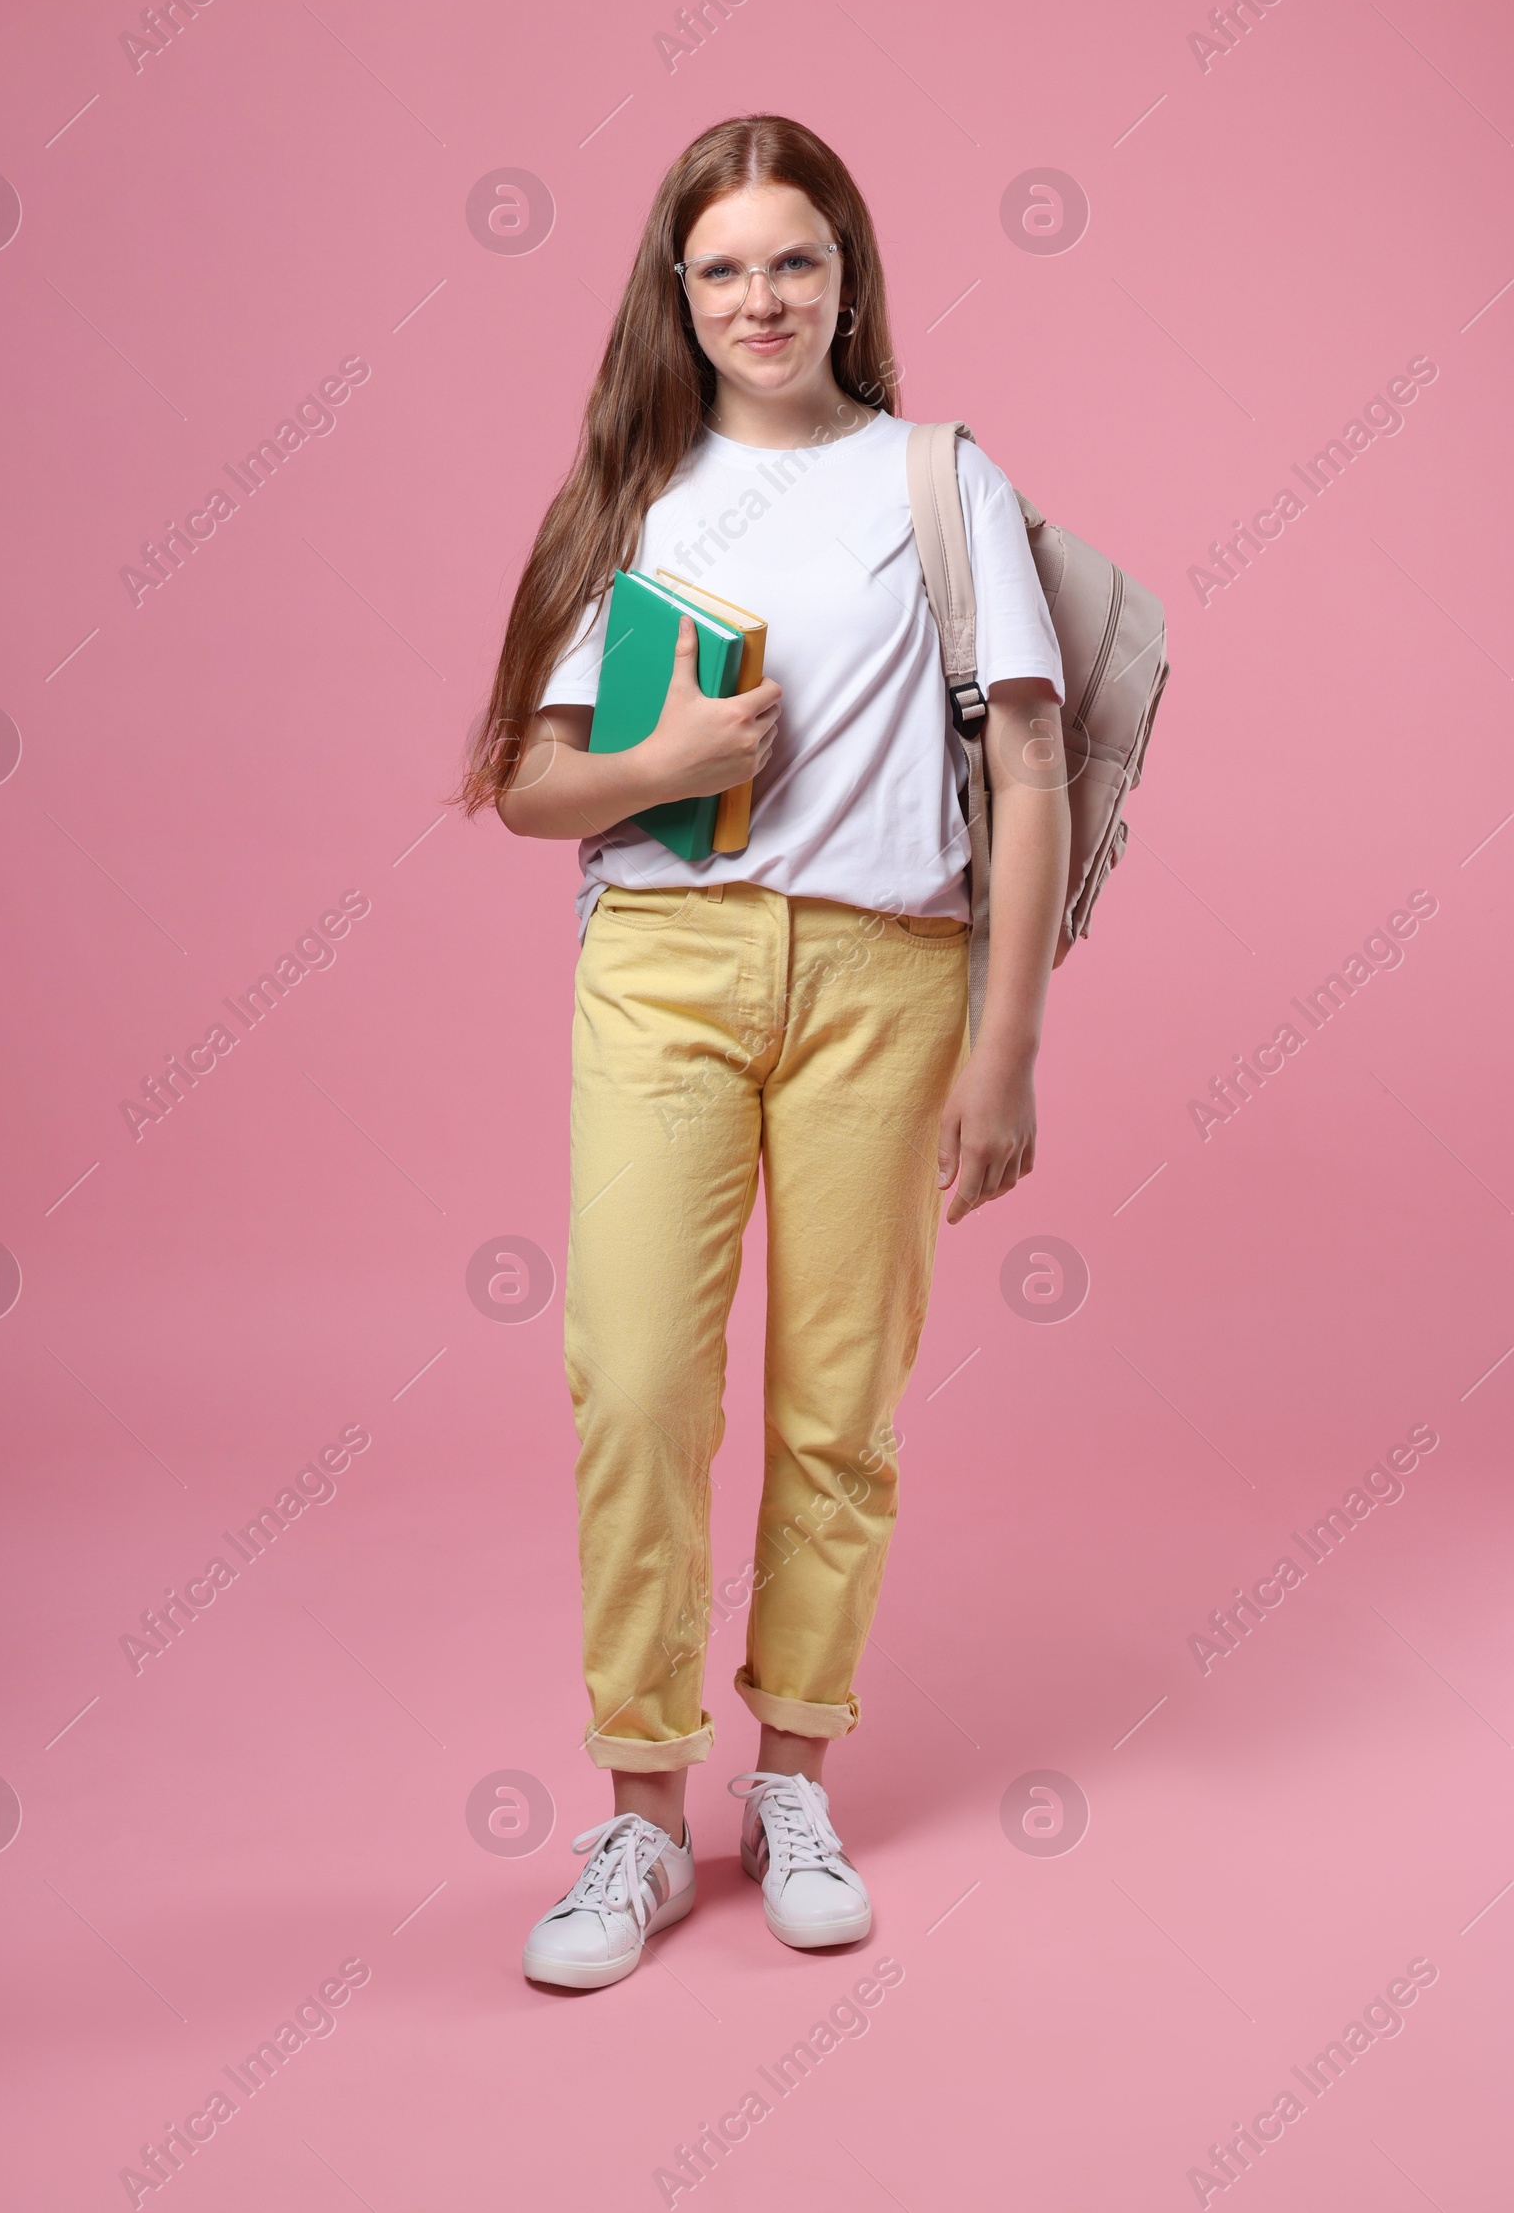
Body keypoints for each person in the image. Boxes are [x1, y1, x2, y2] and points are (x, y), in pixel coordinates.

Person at [461, 114, 1069, 1990]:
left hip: (890, 976)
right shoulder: (629, 494)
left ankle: (789, 1775)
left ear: (848, 276)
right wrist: (664, 772)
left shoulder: (935, 480)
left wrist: (1009, 1047)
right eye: (722, 268)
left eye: (793, 261)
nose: (760, 298)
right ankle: (643, 1814)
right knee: (636, 1378)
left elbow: (1032, 761)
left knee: (837, 1401)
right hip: (662, 960)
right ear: (678, 290)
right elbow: (527, 783)